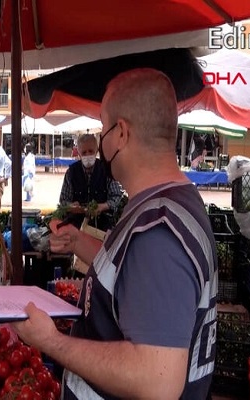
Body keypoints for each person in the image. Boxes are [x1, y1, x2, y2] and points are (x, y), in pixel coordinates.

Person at [12, 69, 218, 400]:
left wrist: (51, 341)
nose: (100, 144)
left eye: (103, 130)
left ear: (121, 133)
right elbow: (132, 272)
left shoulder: (159, 230)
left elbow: (156, 380)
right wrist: (79, 242)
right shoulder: (169, 201)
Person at [59, 133, 123, 232]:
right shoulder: (71, 172)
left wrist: (103, 206)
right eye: (84, 152)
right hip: (76, 226)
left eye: (91, 151)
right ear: (78, 153)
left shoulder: (106, 170)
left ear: (97, 151)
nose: (88, 155)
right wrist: (71, 207)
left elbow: (117, 197)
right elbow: (63, 201)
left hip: (102, 226)